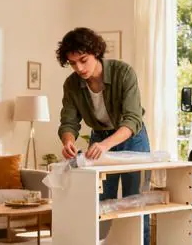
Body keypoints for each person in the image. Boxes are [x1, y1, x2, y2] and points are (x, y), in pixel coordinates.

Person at [56, 27, 150, 243]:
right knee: (99, 201)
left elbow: (132, 119)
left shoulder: (123, 72)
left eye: (83, 60)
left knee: (135, 200)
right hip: (99, 136)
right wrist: (68, 141)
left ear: (96, 53)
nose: (79, 68)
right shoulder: (71, 84)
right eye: (72, 63)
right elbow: (69, 122)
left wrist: (106, 144)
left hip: (131, 138)